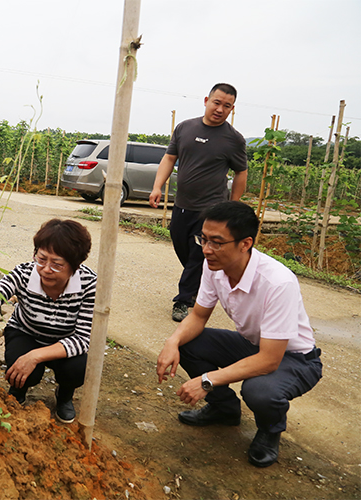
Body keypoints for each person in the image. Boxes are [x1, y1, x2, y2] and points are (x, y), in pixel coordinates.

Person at [156, 201, 322, 468]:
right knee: (188, 343)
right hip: (254, 346)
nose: (207, 250)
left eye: (217, 242)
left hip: (295, 359)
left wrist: (207, 380)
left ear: (245, 244)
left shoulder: (278, 282)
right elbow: (198, 316)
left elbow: (269, 360)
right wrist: (172, 341)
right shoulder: (214, 268)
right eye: (204, 239)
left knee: (258, 391)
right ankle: (224, 409)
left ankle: (270, 429)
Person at [149, 83, 248, 322]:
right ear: (206, 100)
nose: (220, 109)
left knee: (197, 254)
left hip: (211, 209)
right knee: (182, 246)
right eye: (217, 102)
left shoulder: (233, 139)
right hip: (182, 205)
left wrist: (232, 206)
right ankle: (205, 282)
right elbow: (169, 157)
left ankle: (184, 301)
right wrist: (157, 186)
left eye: (227, 106)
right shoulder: (185, 128)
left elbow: (241, 173)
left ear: (232, 109)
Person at [0, 219, 95, 424]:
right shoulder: (23, 273)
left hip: (64, 341)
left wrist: (35, 356)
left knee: (79, 368)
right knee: (20, 365)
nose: (46, 269)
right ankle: (18, 390)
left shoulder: (89, 284)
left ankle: (65, 395)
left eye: (57, 264)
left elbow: (83, 339)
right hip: (27, 332)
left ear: (75, 265)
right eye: (41, 259)